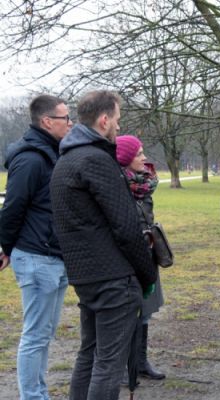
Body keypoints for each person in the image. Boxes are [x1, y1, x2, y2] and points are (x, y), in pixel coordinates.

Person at [50, 90, 157, 400]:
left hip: (87, 276)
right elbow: (126, 227)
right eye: (118, 120)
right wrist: (147, 275)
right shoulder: (96, 160)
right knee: (108, 364)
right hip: (112, 279)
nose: (119, 128)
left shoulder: (67, 160)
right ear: (104, 119)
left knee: (90, 354)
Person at [0, 94, 72, 400]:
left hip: (55, 257)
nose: (70, 124)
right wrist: (5, 246)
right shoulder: (31, 158)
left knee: (44, 334)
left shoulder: (52, 153)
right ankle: (32, 396)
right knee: (35, 335)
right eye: (65, 119)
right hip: (36, 257)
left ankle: (38, 393)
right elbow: (13, 206)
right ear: (46, 121)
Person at [114, 135, 166, 381]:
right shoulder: (116, 186)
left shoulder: (145, 184)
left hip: (147, 255)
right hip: (125, 258)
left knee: (145, 311)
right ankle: (126, 366)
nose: (144, 158)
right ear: (125, 158)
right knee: (127, 313)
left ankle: (141, 361)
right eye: (138, 154)